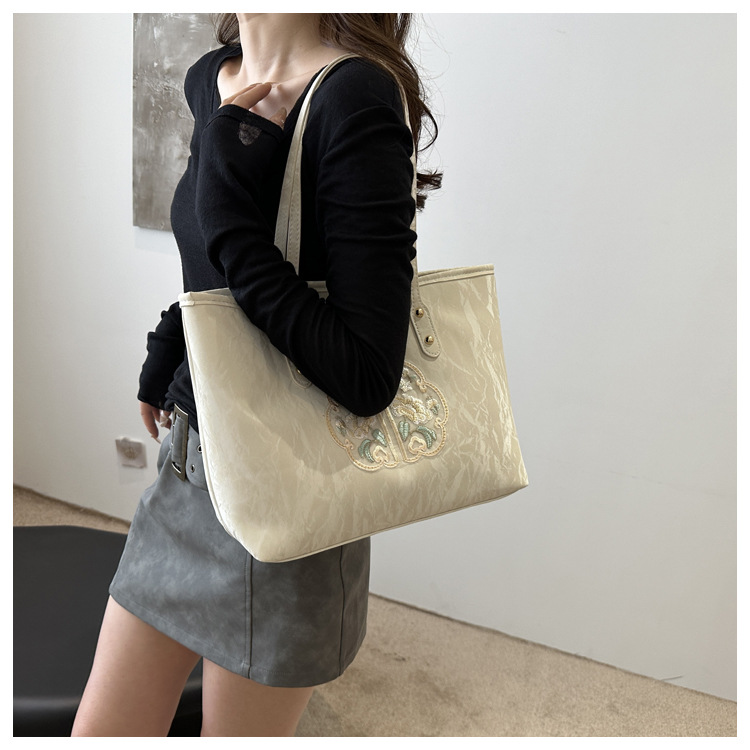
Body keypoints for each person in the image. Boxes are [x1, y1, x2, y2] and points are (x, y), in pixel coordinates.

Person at [72, 12, 441, 737]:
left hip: (289, 503)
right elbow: (212, 261)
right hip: (189, 471)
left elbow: (367, 374)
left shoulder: (353, 96)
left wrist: (231, 229)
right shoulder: (212, 79)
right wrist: (170, 342)